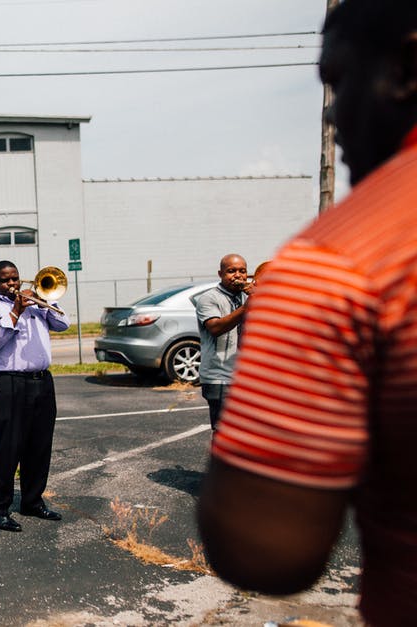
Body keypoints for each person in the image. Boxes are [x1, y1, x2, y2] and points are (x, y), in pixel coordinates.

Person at [198, 2, 417, 625]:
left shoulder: (342, 258)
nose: (333, 116)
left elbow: (262, 550)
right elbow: (212, 328)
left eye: (340, 82)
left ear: (408, 66)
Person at [0, 261, 70, 532]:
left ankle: (32, 501)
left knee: (39, 447)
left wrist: (43, 301)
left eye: (15, 278)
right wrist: (16, 311)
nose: (13, 284)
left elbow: (64, 324)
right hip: (8, 383)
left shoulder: (36, 304)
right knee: (6, 449)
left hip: (41, 382)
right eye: (5, 280)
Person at [193, 253, 254, 430]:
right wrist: (247, 307)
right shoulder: (209, 298)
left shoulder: (247, 297)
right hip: (218, 377)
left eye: (242, 271)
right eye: (231, 271)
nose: (238, 275)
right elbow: (216, 328)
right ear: (220, 274)